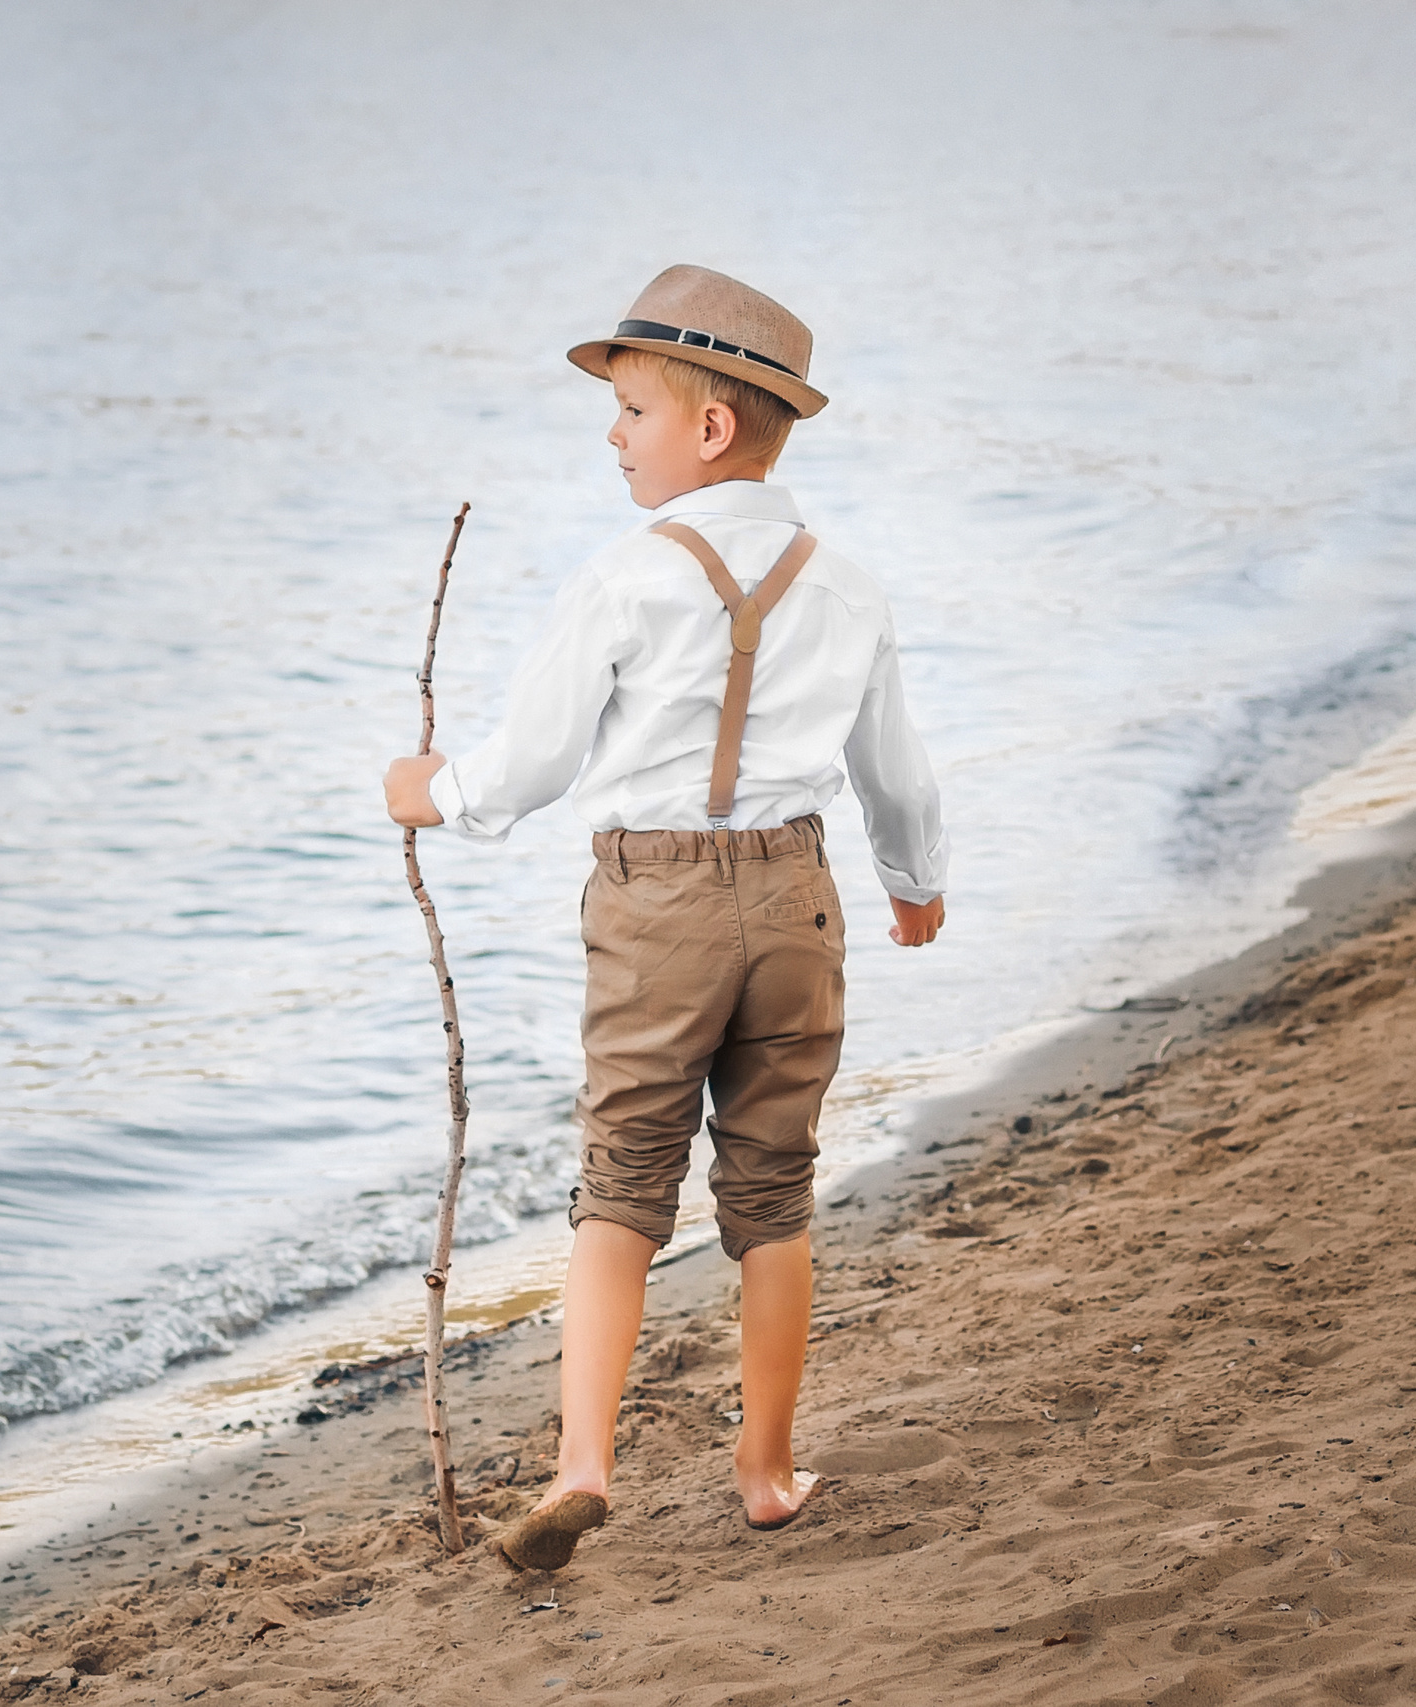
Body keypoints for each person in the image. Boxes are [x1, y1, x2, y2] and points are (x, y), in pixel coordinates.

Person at [382, 264, 950, 1571]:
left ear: (710, 428)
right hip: (798, 901)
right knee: (773, 1189)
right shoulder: (848, 581)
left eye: (631, 410)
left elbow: (530, 763)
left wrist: (434, 793)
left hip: (659, 903)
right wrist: (913, 880)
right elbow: (898, 773)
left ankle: (585, 1464)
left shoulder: (626, 577)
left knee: (624, 1183)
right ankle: (761, 1471)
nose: (611, 435)